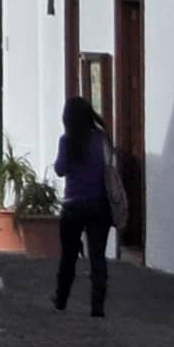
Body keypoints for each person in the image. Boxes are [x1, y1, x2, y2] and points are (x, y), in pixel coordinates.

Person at [52, 93, 123, 317]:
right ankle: (97, 306)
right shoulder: (101, 139)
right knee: (98, 257)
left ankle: (61, 299)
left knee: (68, 256)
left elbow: (60, 169)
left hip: (73, 205)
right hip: (99, 205)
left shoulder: (67, 141)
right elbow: (109, 165)